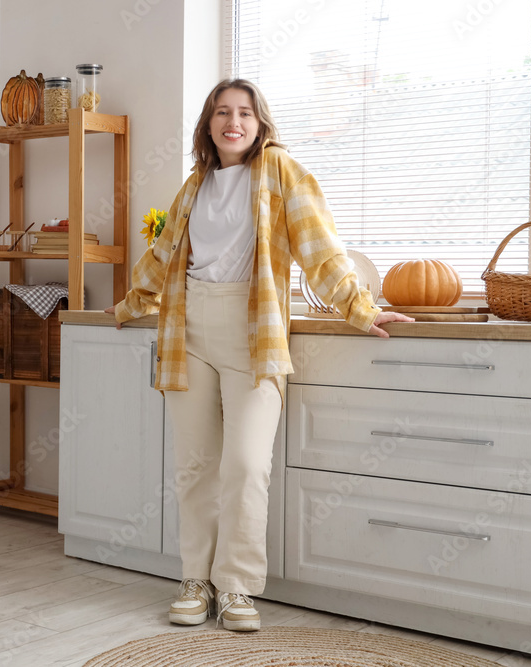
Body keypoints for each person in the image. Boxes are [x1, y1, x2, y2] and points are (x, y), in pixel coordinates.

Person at [104, 78, 412, 632]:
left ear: (260, 122)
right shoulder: (194, 187)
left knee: (246, 466)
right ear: (209, 125)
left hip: (254, 333)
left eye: (245, 113)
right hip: (188, 330)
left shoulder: (281, 172)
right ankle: (195, 579)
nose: (234, 122)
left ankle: (237, 586)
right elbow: (163, 255)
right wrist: (128, 307)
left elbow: (321, 248)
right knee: (195, 467)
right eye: (223, 112)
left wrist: (361, 309)